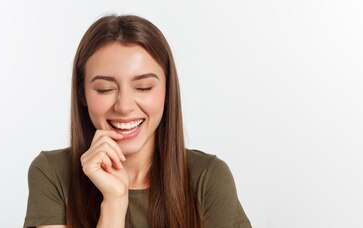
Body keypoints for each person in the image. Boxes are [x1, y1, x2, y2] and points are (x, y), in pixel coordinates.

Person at [24, 14, 251, 228]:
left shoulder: (207, 177)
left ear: (167, 90)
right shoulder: (51, 173)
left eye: (144, 87)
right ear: (82, 93)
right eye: (105, 89)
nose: (124, 106)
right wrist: (115, 202)